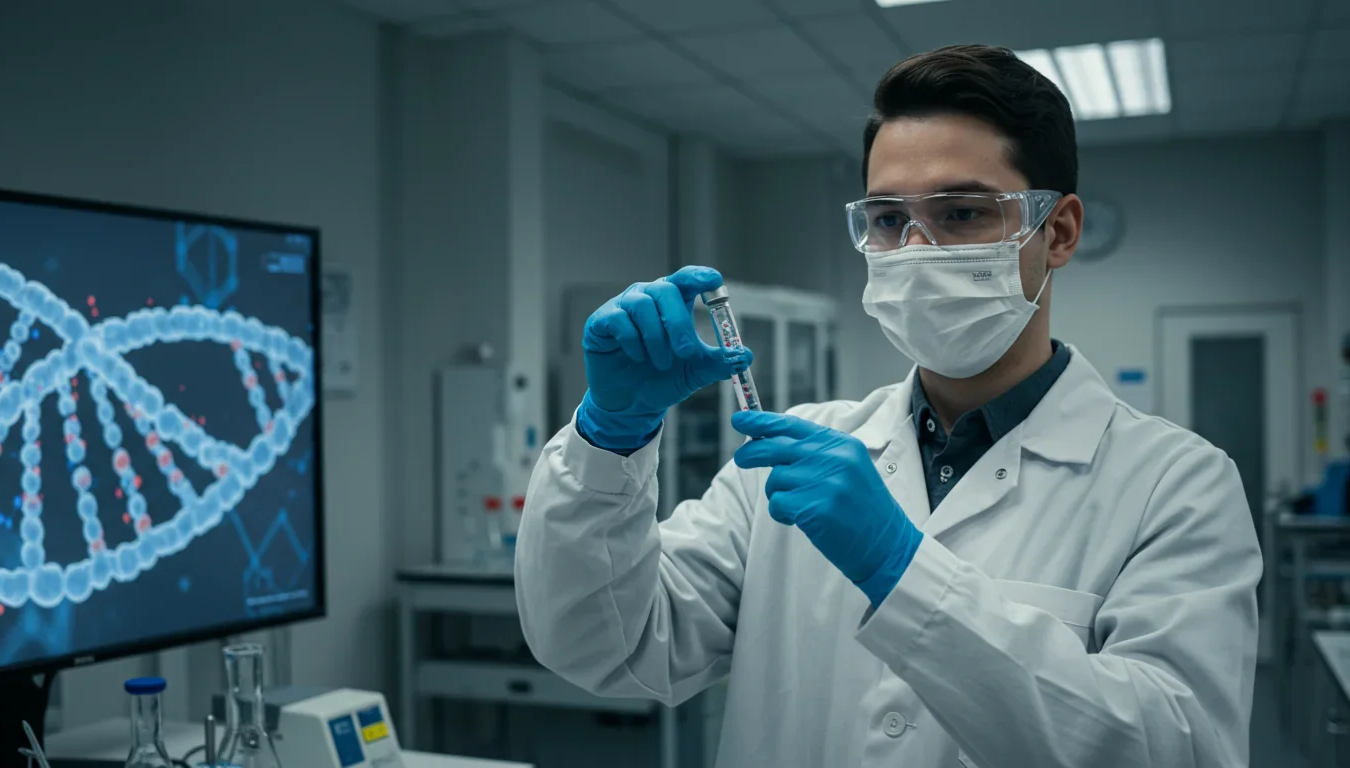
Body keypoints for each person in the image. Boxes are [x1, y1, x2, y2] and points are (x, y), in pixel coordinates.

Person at [514, 44, 1260, 767]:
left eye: (963, 213)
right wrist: (610, 436)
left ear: (1056, 231)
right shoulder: (790, 457)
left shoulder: (1176, 486)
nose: (912, 250)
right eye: (885, 219)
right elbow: (609, 646)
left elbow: (1178, 748)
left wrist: (903, 572)